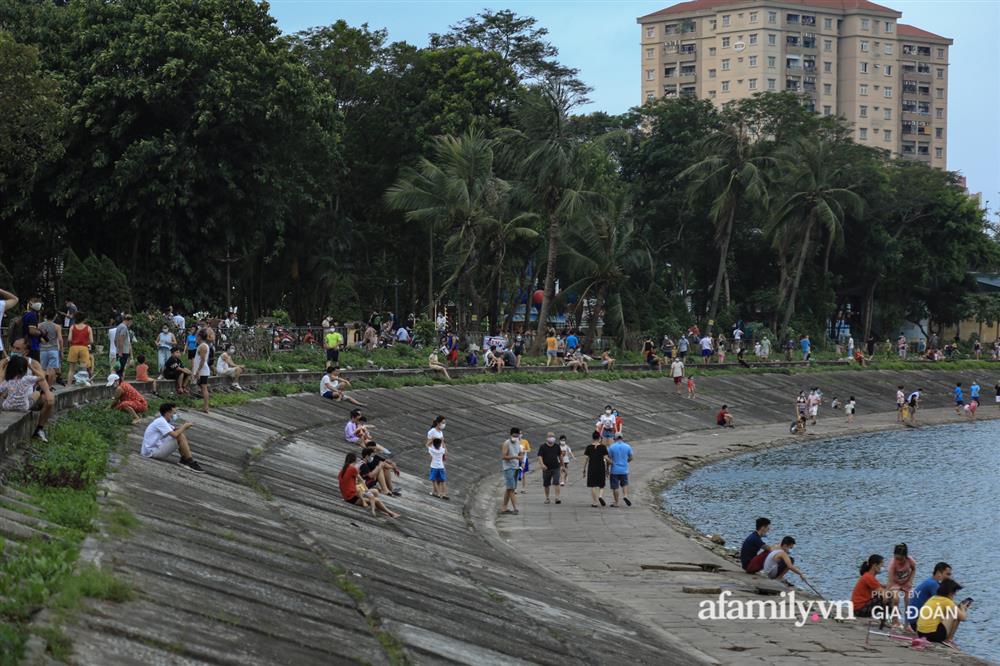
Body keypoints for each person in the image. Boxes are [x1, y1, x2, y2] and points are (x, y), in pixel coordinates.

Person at [3, 338, 54, 441]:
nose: (14, 351)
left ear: (25, 352)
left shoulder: (33, 363)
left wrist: (48, 392)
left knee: (48, 400)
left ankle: (39, 429)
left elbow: (42, 380)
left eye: (17, 349)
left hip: (28, 398)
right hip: (8, 398)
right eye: (13, 348)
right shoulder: (6, 362)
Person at [140, 403, 204, 472]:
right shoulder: (161, 422)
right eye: (173, 413)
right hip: (151, 452)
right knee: (180, 435)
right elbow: (175, 435)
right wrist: (184, 426)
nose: (174, 416)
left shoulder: (162, 421)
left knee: (179, 433)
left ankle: (184, 459)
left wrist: (185, 425)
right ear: (167, 413)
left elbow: (175, 430)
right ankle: (190, 461)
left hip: (152, 450)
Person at [338, 452, 399, 518]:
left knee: (375, 491)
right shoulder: (352, 469)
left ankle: (378, 508)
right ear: (355, 460)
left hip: (349, 495)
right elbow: (361, 480)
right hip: (352, 498)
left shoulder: (343, 470)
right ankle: (391, 513)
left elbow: (349, 484)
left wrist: (365, 490)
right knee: (376, 500)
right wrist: (365, 490)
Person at [916, 578, 969, 645]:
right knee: (955, 614)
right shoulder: (947, 601)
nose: (955, 595)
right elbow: (963, 618)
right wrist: (963, 608)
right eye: (954, 592)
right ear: (950, 592)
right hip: (933, 636)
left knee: (950, 613)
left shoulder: (933, 598)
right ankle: (949, 640)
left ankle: (947, 639)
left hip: (920, 633)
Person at [908, 562, 952, 631]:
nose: (949, 577)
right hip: (917, 623)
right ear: (938, 573)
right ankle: (947, 638)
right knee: (952, 613)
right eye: (947, 574)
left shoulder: (931, 581)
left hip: (913, 621)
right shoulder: (933, 584)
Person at [852, 555, 892, 621]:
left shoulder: (869, 577)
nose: (882, 568)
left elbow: (882, 587)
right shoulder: (868, 577)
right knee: (889, 596)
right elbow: (883, 593)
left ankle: (887, 619)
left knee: (887, 595)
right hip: (859, 610)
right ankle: (893, 620)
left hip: (858, 608)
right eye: (881, 565)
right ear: (875, 566)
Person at [887, 543, 917, 617]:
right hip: (895, 583)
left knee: (909, 602)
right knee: (896, 599)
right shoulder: (892, 563)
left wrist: (910, 580)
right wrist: (887, 592)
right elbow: (890, 580)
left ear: (905, 557)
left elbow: (913, 569)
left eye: (900, 559)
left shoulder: (910, 560)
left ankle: (907, 624)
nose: (898, 561)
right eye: (896, 558)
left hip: (906, 582)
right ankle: (895, 621)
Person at [606, 432, 633, 508]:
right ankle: (625, 496)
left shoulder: (611, 447)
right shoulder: (628, 446)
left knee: (615, 487)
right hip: (624, 469)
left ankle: (616, 502)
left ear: (614, 439)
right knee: (624, 484)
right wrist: (626, 461)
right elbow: (631, 457)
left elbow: (608, 458)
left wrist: (607, 469)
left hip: (614, 470)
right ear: (622, 438)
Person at [582, 431, 608, 507]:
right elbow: (606, 458)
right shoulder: (603, 447)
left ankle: (595, 502)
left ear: (592, 438)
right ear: (599, 438)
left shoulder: (589, 447)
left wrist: (584, 469)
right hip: (601, 467)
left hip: (592, 468)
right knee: (601, 484)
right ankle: (600, 496)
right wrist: (610, 463)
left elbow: (586, 459)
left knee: (593, 485)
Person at [500, 428, 522, 515]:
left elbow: (520, 453)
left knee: (509, 488)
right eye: (514, 436)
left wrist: (521, 459)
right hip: (508, 468)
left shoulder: (518, 442)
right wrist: (515, 457)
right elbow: (504, 456)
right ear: (511, 434)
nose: (516, 437)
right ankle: (515, 508)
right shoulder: (506, 443)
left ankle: (504, 508)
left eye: (517, 436)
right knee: (512, 489)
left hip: (516, 467)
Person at [37, 311, 63, 388]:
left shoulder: (39, 325)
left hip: (42, 349)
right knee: (52, 370)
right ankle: (49, 387)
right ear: (54, 317)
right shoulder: (57, 326)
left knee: (43, 369)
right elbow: (60, 339)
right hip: (53, 350)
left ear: (45, 316)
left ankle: (42, 386)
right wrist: (61, 351)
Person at [537, 433, 563, 504]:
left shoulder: (557, 446)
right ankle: (547, 498)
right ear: (547, 438)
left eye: (553, 436)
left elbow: (560, 456)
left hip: (556, 467)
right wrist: (542, 464)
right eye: (550, 436)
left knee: (556, 482)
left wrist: (562, 466)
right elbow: (539, 456)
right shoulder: (543, 447)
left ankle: (557, 498)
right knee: (546, 484)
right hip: (546, 468)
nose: (551, 438)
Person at [66, 313, 93, 380]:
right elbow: (91, 341)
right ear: (84, 319)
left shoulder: (72, 327)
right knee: (84, 367)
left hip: (73, 348)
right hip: (84, 348)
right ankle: (86, 382)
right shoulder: (88, 328)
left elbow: (69, 339)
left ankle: (69, 384)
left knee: (71, 369)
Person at [191, 329, 211, 413]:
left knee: (204, 388)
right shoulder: (202, 345)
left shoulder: (203, 346)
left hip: (202, 370)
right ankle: (205, 406)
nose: (196, 338)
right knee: (203, 388)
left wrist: (198, 371)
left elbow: (202, 360)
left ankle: (206, 407)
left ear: (200, 337)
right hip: (201, 370)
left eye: (197, 336)